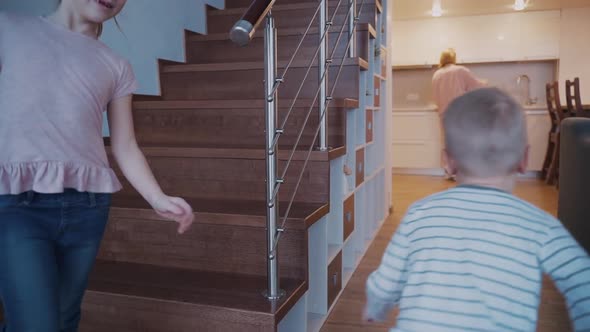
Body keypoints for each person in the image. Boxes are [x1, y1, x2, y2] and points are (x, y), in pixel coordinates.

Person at [0, 1, 195, 331]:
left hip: (87, 208)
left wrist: (157, 197)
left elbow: (125, 144)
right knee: (37, 324)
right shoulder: (8, 28)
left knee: (63, 317)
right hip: (17, 205)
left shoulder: (116, 65)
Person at [364, 88, 590, 331]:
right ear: (524, 159)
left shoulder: (419, 213)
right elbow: (583, 284)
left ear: (448, 162)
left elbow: (386, 281)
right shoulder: (542, 227)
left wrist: (376, 308)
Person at [432, 48, 487, 180]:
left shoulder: (437, 74)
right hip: (460, 112)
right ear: (454, 58)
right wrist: (485, 82)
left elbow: (435, 96)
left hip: (444, 113)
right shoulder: (461, 70)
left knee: (448, 143)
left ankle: (449, 171)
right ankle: (462, 172)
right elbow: (477, 86)